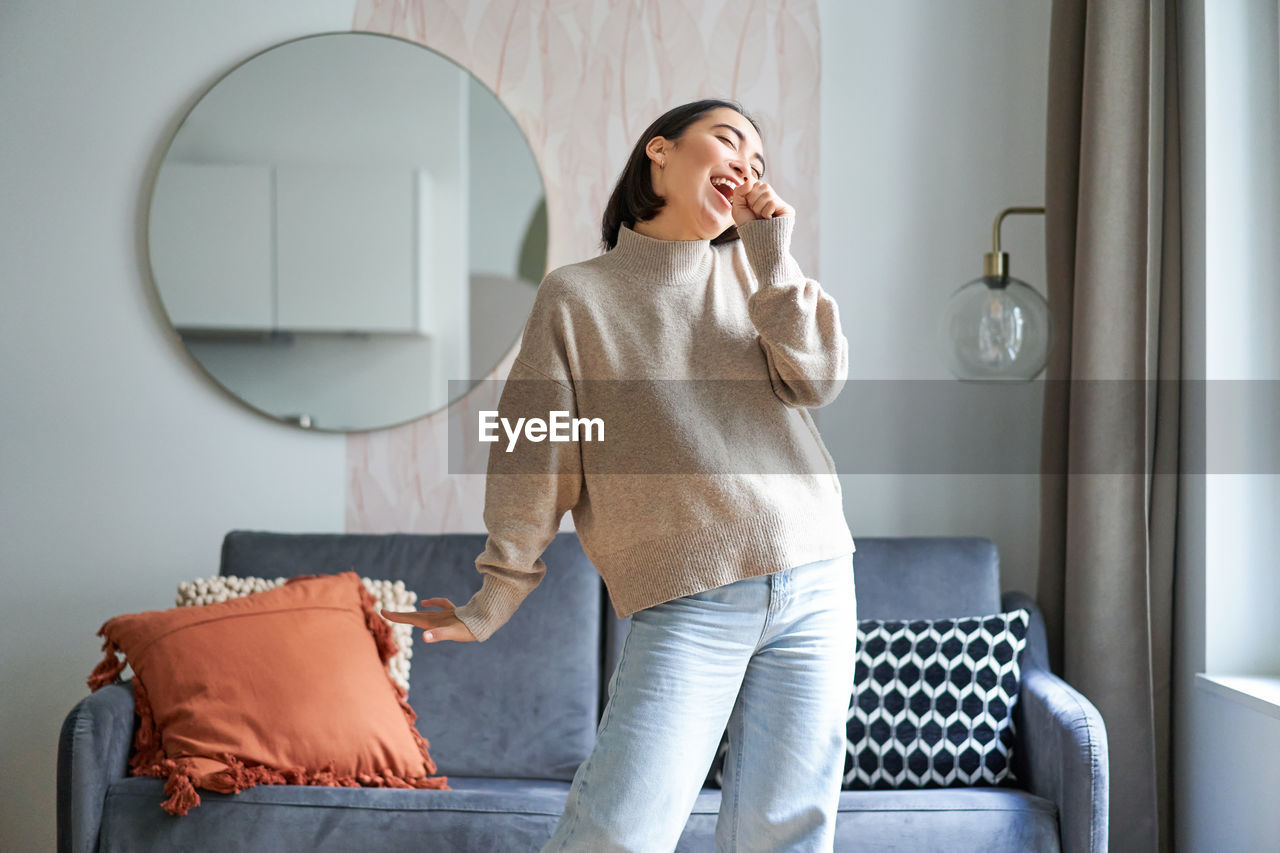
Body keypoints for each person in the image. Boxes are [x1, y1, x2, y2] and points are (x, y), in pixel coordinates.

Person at [381, 98, 858, 852]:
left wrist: (774, 258)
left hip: (819, 579)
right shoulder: (578, 297)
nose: (747, 165)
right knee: (618, 832)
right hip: (688, 597)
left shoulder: (759, 275)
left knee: (789, 833)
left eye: (760, 163)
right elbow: (535, 450)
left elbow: (819, 378)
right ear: (659, 153)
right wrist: (494, 593)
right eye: (729, 141)